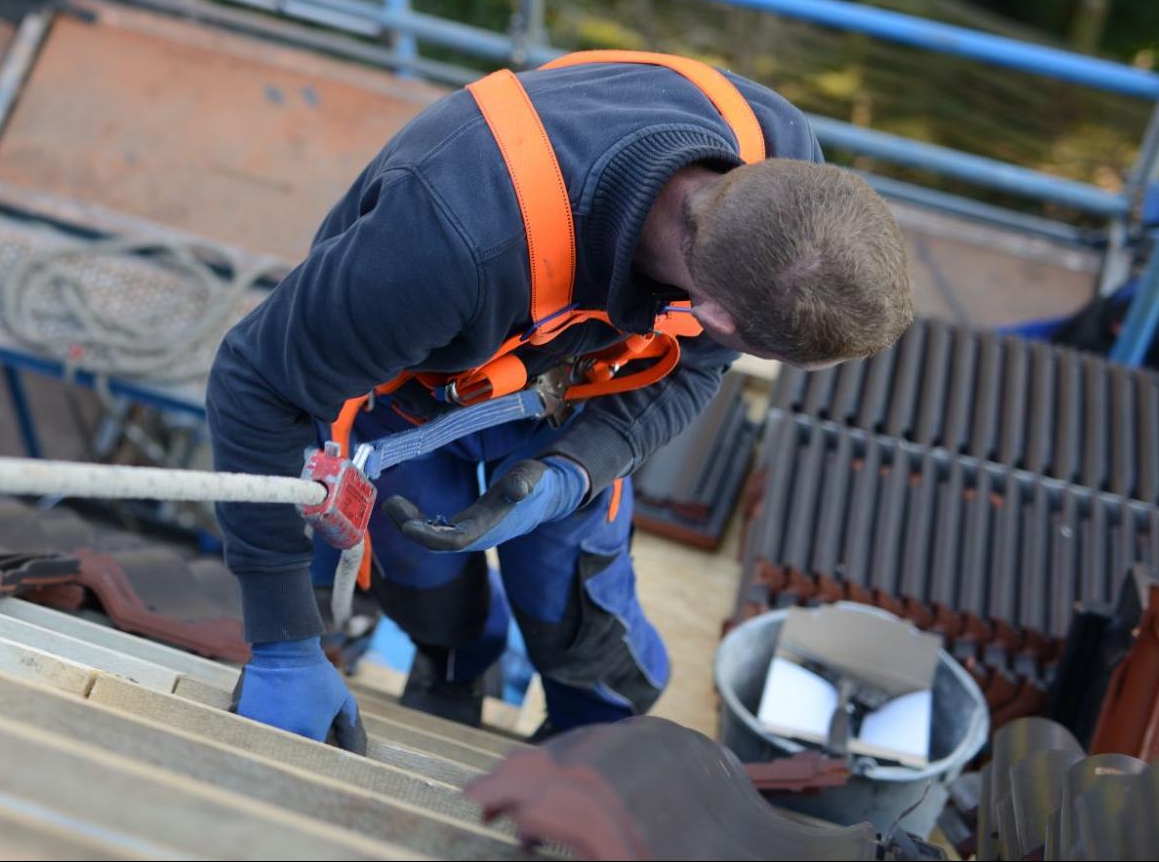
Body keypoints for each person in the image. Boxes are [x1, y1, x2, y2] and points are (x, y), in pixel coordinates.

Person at [209, 51, 914, 745]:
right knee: (416, 560)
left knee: (574, 591)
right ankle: (453, 672)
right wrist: (283, 641)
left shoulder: (779, 163)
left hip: (583, 386)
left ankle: (592, 729)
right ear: (720, 315)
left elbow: (694, 369)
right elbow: (254, 383)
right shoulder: (443, 241)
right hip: (413, 387)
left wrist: (577, 467)